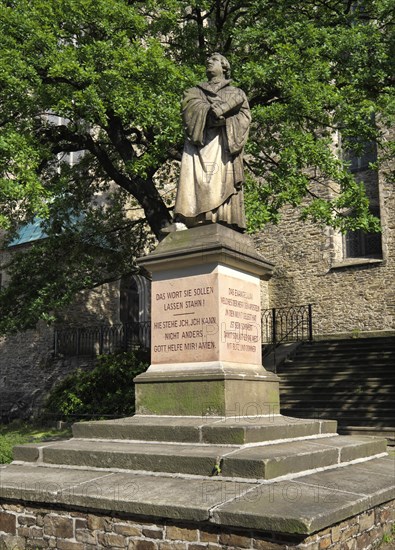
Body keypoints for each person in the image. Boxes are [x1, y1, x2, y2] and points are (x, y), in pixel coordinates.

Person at [173, 53, 251, 232]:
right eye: (207, 60)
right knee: (193, 179)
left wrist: (226, 121)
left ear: (224, 67)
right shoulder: (195, 91)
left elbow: (245, 118)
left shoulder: (236, 93)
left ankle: (219, 217)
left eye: (214, 60)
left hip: (223, 144)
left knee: (221, 181)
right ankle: (191, 217)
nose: (209, 61)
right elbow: (189, 110)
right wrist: (208, 112)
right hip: (199, 144)